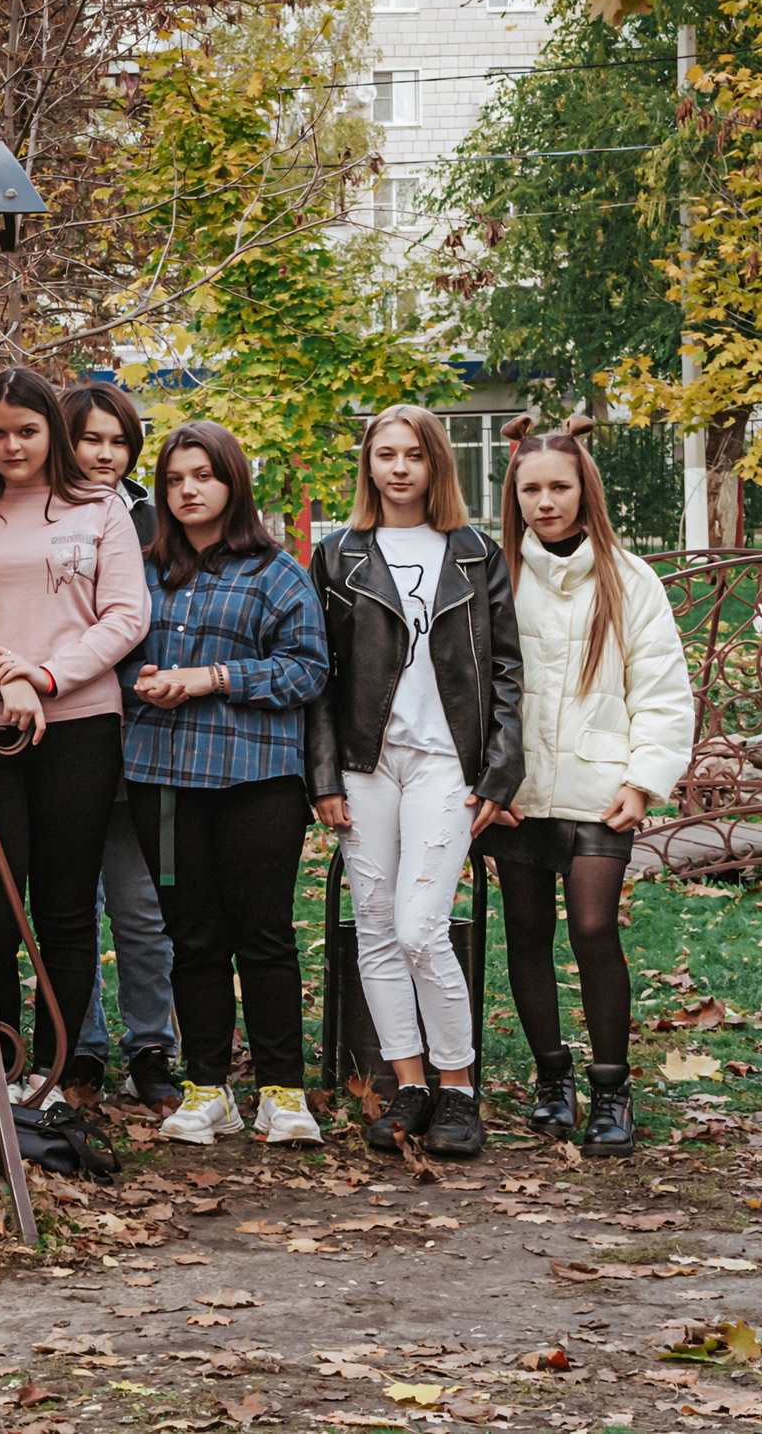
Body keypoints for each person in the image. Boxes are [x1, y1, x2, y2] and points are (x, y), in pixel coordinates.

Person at [308, 404, 523, 1161]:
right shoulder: (338, 556)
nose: (398, 468)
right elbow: (322, 677)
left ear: (437, 465)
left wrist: (501, 768)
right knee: (374, 927)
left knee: (419, 927)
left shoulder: (473, 553)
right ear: (368, 465)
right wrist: (324, 772)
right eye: (385, 454)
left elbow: (504, 669)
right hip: (366, 764)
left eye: (414, 455)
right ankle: (410, 1086)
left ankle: (459, 1089)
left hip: (444, 763)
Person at [117, 422, 331, 1147]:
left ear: (231, 481)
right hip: (164, 785)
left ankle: (283, 1090)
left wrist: (215, 677)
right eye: (175, 479)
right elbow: (110, 652)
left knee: (263, 934)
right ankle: (206, 1087)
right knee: (192, 935)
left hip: (257, 780)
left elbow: (308, 669)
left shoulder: (276, 571)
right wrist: (140, 680)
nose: (187, 491)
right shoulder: (140, 571)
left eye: (202, 476)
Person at [485, 416, 693, 1158]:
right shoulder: (496, 572)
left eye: (559, 487)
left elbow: (663, 689)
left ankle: (611, 1088)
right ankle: (553, 1082)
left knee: (595, 928)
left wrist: (643, 781)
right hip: (518, 791)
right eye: (531, 488)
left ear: (584, 490)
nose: (546, 501)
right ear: (514, 493)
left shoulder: (627, 577)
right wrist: (489, 780)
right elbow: (474, 686)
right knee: (528, 935)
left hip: (602, 787)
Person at [0, 367, 148, 1088]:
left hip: (80, 725)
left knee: (64, 905)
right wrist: (8, 676)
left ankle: (53, 1070)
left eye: (26, 431)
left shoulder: (97, 509)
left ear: (50, 432)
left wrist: (47, 679)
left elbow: (125, 616)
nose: (11, 445)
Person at [59, 383, 182, 1110]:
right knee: (71, 903)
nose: (105, 455)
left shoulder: (154, 519)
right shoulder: (36, 514)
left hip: (147, 740)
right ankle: (79, 1045)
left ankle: (151, 1046)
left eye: (118, 442)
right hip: (66, 733)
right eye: (91, 440)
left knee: (141, 905)